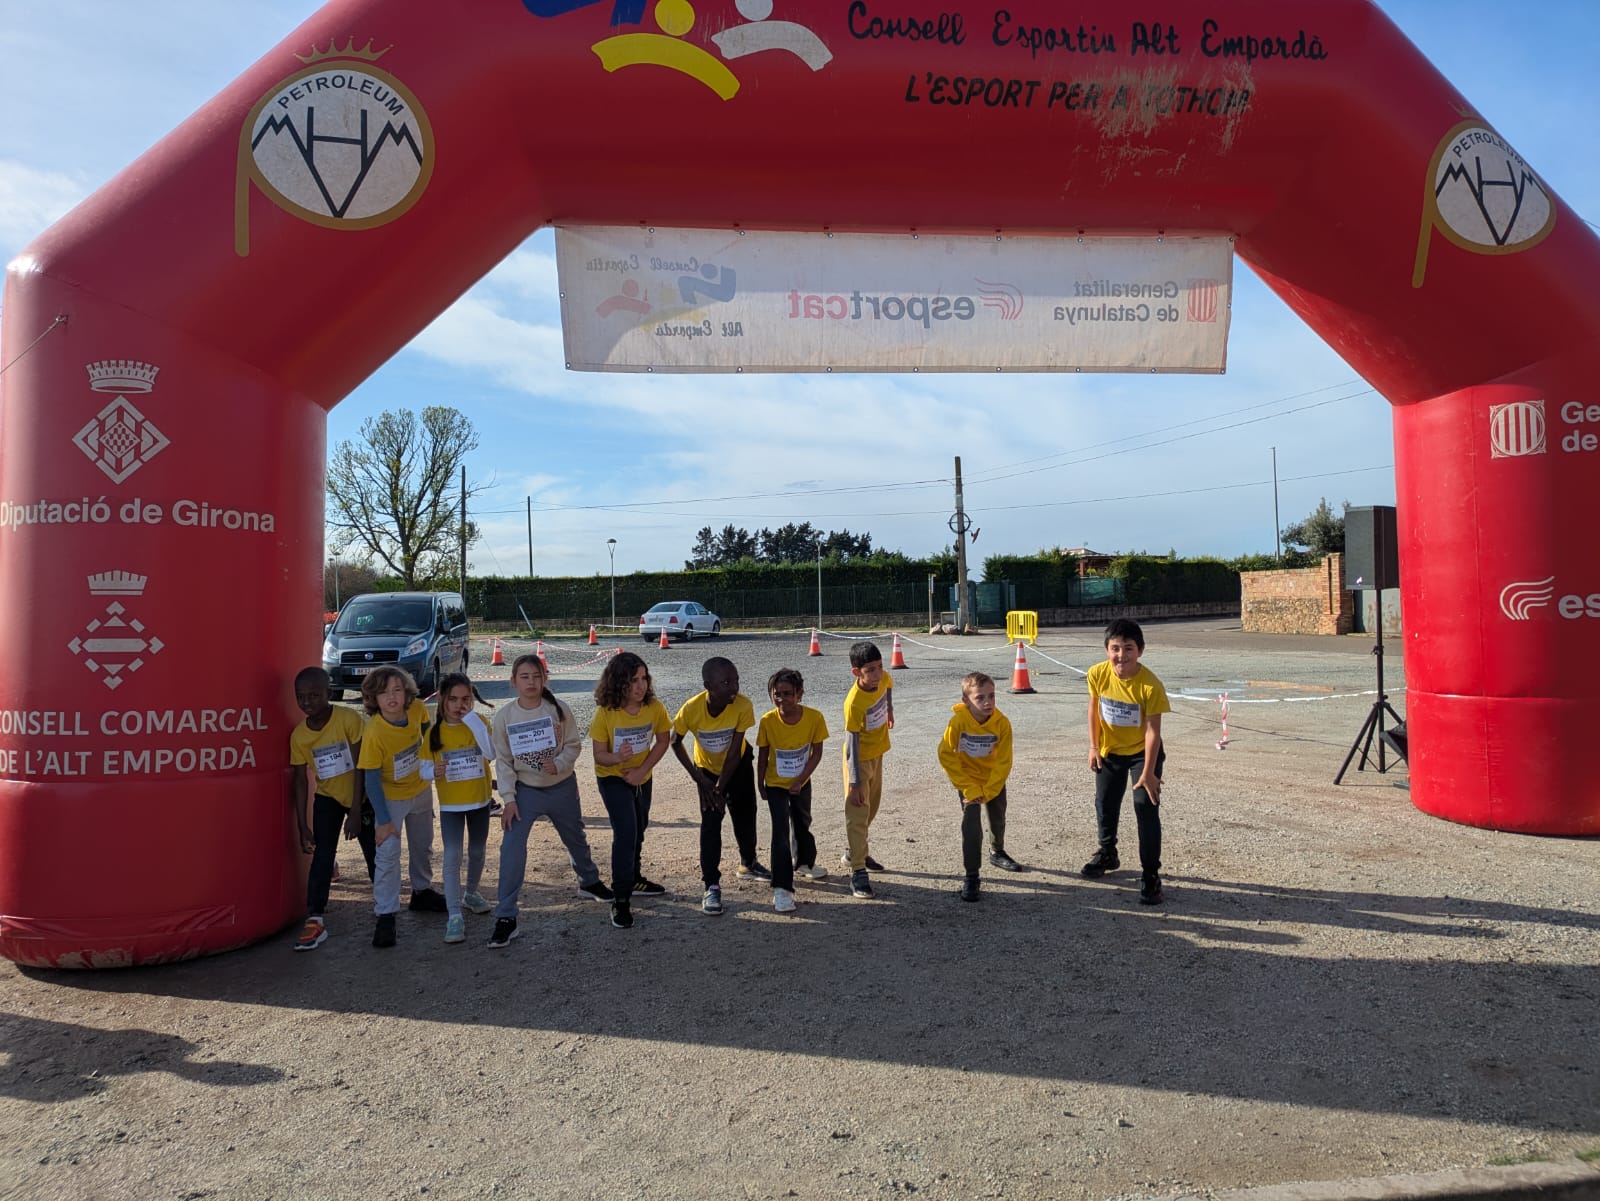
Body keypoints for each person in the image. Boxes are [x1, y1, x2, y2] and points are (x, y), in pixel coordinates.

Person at [487, 654, 613, 949]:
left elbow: (573, 745)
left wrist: (559, 763)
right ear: (513, 681)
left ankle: (589, 881)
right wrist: (509, 799)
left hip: (561, 787)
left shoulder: (559, 709)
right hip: (525, 792)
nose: (531, 682)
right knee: (512, 847)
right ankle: (506, 915)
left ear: (545, 679)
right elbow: (503, 762)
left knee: (575, 836)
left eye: (537, 676)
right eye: (524, 677)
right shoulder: (504, 716)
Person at [672, 656, 769, 917]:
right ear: (708, 686)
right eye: (726, 682)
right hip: (705, 771)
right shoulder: (691, 709)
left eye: (736, 680)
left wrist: (720, 786)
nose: (734, 687)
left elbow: (735, 752)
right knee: (711, 823)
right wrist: (700, 779)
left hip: (737, 767)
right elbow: (674, 741)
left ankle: (748, 863)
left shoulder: (742, 705)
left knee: (745, 814)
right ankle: (711, 886)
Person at [1082, 618, 1171, 904]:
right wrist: (1094, 746)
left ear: (1140, 651)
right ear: (1107, 650)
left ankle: (1150, 874)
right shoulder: (1097, 674)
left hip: (1143, 753)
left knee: (1145, 806)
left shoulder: (1150, 686)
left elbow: (1153, 732)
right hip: (1110, 751)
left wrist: (1149, 773)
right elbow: (1094, 710)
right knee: (1105, 802)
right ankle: (1107, 852)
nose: (1121, 655)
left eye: (1128, 648)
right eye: (1115, 648)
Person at [287, 666, 375, 951]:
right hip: (328, 798)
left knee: (374, 852)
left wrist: (355, 810)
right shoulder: (299, 736)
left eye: (314, 695)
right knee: (322, 856)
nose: (307, 702)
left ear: (329, 693)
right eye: (301, 697)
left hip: (361, 797)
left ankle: (385, 907)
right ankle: (315, 917)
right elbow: (300, 780)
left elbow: (362, 765)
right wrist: (303, 825)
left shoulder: (348, 719)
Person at [356, 666, 443, 948]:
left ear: (407, 692)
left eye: (397, 690)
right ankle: (385, 913)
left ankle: (422, 891)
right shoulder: (374, 732)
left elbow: (429, 736)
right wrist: (383, 821)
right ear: (373, 698)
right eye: (383, 693)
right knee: (388, 852)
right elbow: (371, 779)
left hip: (420, 789)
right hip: (390, 798)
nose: (392, 697)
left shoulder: (417, 709)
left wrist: (434, 763)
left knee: (422, 844)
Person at [590, 651, 673, 930]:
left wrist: (641, 771)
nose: (640, 686)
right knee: (626, 832)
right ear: (618, 683)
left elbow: (663, 740)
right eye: (633, 680)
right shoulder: (605, 713)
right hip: (612, 777)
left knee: (640, 826)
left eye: (644, 678)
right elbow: (599, 755)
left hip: (641, 776)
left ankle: (634, 878)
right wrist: (617, 758)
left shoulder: (654, 707)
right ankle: (621, 898)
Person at [425, 673, 495, 945]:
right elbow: (422, 769)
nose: (460, 705)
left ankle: (471, 894)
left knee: (477, 851)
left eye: (466, 699)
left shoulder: (479, 723)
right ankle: (454, 914)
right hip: (451, 806)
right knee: (452, 856)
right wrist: (434, 770)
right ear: (442, 699)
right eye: (453, 699)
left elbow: (491, 753)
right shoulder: (434, 733)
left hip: (480, 801)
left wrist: (473, 722)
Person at [936, 671, 1017, 903]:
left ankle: (997, 851)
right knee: (971, 826)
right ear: (966, 700)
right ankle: (972, 876)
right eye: (980, 698)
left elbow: (1004, 761)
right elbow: (946, 754)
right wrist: (969, 788)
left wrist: (989, 790)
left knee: (997, 817)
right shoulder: (958, 722)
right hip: (968, 782)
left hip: (993, 780)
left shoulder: (1002, 723)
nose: (988, 702)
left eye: (991, 696)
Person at [754, 668, 828, 913]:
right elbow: (763, 754)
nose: (782, 699)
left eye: (787, 694)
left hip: (801, 782)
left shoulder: (814, 718)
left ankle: (805, 862)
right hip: (776, 784)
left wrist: (801, 780)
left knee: (802, 820)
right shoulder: (768, 721)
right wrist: (760, 782)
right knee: (780, 832)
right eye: (777, 694)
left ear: (799, 693)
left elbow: (816, 753)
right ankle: (782, 888)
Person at [840, 640, 893, 899]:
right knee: (858, 812)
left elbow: (888, 686)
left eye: (879, 666)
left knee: (872, 808)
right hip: (858, 761)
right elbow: (851, 743)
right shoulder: (854, 703)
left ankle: (854, 851)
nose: (877, 674)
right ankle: (858, 871)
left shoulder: (882, 679)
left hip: (878, 753)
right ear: (856, 672)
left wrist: (890, 709)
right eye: (870, 670)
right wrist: (855, 781)